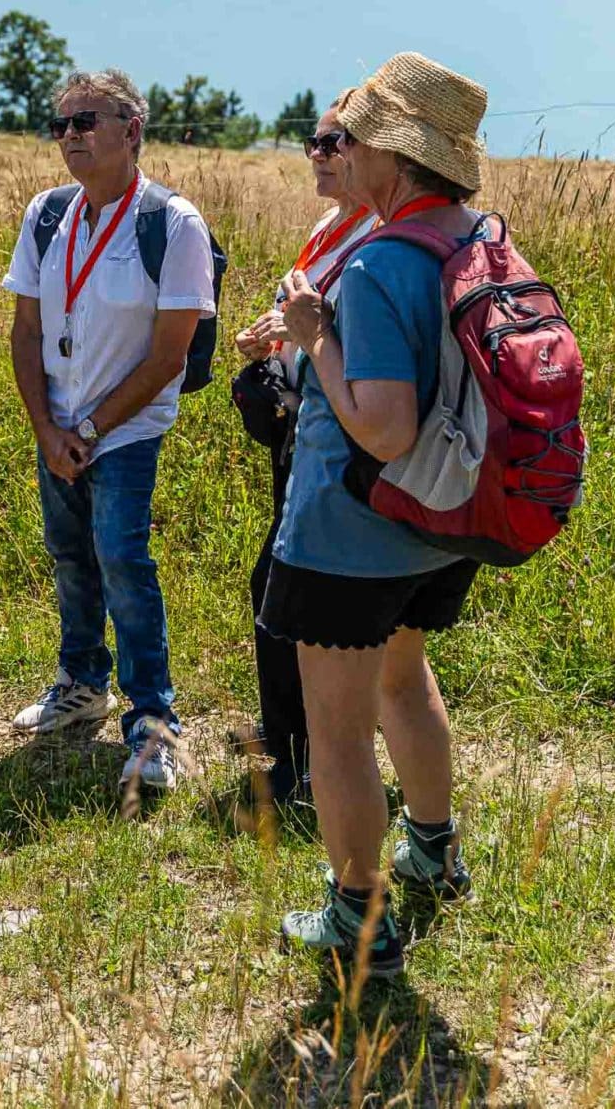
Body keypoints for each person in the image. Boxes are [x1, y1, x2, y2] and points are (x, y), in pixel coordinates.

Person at [266, 53, 487, 977]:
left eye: (350, 138)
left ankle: (360, 922)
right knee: (406, 681)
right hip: (447, 518)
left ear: (392, 159)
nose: (338, 152)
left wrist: (316, 340)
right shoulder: (476, 234)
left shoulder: (381, 263)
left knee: (338, 729)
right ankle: (434, 849)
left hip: (354, 530)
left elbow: (383, 427)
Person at [2, 69, 218, 790]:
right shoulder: (46, 215)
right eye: (60, 124)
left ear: (132, 129)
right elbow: (26, 328)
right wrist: (47, 429)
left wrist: (90, 427)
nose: (70, 136)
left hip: (122, 432)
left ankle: (154, 725)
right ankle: (82, 684)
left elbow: (170, 353)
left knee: (122, 561)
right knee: (69, 555)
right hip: (58, 428)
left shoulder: (173, 223)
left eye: (86, 120)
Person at [230, 94, 376, 814]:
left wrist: (301, 337)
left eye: (333, 142)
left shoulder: (379, 233)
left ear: (372, 148)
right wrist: (272, 339)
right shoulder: (329, 224)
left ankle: (309, 756)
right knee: (279, 584)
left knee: (286, 588)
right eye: (312, 140)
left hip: (340, 429)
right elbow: (309, 315)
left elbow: (352, 333)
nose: (316, 154)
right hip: (302, 420)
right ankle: (295, 738)